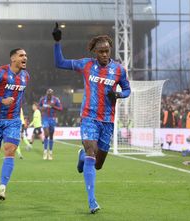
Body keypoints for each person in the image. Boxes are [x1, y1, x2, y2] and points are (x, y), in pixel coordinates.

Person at [52, 23, 131, 213]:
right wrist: (57, 42)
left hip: (107, 120)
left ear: (110, 50)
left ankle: (81, 157)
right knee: (91, 151)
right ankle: (92, 201)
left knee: (98, 164)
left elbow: (127, 89)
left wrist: (119, 95)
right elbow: (60, 62)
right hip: (89, 117)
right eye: (100, 51)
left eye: (106, 50)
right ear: (95, 52)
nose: (104, 54)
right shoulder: (86, 64)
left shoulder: (119, 70)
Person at [0, 48, 29, 201]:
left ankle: (2, 188)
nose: (25, 58)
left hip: (14, 121)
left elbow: (20, 98)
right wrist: (1, 100)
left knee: (9, 151)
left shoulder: (26, 76)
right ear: (13, 58)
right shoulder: (1, 72)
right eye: (22, 55)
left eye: (26, 56)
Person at [39, 88, 62, 160]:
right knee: (46, 133)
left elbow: (60, 108)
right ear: (46, 94)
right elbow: (39, 107)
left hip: (52, 118)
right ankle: (45, 151)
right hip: (45, 117)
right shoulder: (42, 99)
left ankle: (50, 152)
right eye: (48, 94)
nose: (49, 96)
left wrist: (53, 106)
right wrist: (43, 108)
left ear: (52, 94)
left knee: (51, 136)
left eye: (50, 95)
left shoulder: (56, 100)